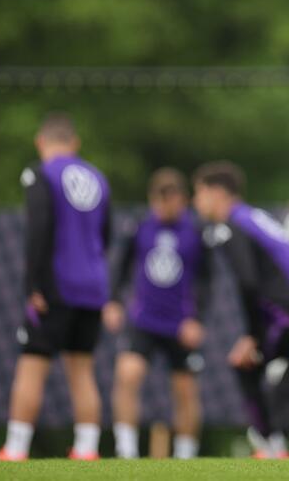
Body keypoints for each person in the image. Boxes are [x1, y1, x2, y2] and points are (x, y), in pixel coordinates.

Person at [192, 161, 289, 459]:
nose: (196, 201)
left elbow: (248, 283)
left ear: (217, 192)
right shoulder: (254, 218)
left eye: (198, 192)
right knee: (279, 388)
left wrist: (253, 335)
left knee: (249, 365)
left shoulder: (232, 225)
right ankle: (283, 447)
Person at [0, 114, 111, 461]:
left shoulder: (40, 174)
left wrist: (33, 285)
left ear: (40, 142)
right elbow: (106, 234)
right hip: (93, 285)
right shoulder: (98, 178)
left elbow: (38, 228)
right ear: (75, 144)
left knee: (32, 362)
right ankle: (86, 449)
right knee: (82, 367)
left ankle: (15, 449)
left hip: (57, 284)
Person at [104, 168, 212, 459]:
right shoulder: (139, 226)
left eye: (171, 200)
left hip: (180, 322)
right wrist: (112, 301)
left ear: (183, 200)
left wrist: (198, 318)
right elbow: (121, 267)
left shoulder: (197, 232)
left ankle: (185, 456)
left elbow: (207, 280)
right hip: (144, 319)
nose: (164, 207)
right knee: (127, 374)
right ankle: (126, 450)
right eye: (159, 200)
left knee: (185, 389)